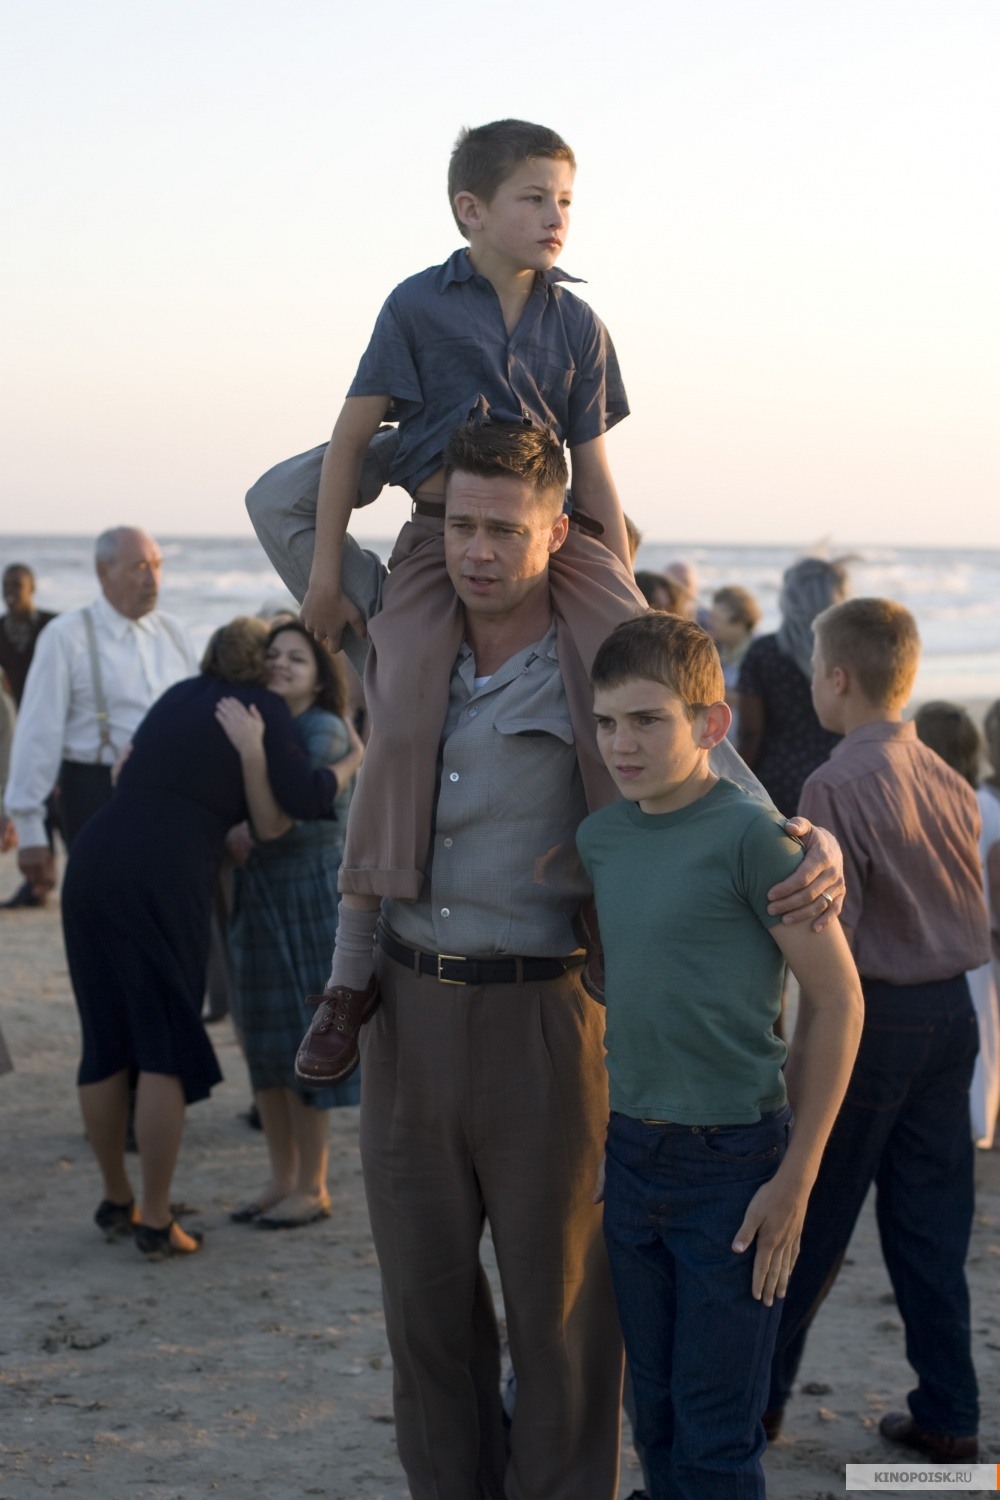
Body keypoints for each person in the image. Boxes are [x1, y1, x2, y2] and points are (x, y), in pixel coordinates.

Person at [278, 421, 847, 1500]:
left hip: (549, 1022)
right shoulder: (391, 617)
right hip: (401, 1008)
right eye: (459, 525)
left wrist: (816, 841)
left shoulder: (605, 654)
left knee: (565, 1329)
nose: (476, 551)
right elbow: (278, 502)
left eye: (505, 529)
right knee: (428, 1318)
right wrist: (413, 444)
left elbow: (719, 779)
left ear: (557, 535)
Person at [250, 117, 647, 951]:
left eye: (566, 199)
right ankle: (357, 950)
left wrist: (619, 578)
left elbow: (595, 468)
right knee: (398, 714)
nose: (556, 215)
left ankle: (619, 899)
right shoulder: (417, 305)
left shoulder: (578, 324)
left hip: (551, 535)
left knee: (633, 681)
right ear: (470, 208)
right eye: (534, 197)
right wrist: (326, 574)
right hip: (438, 536)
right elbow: (352, 438)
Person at [577, 613, 863, 1499]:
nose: (622, 744)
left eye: (648, 720)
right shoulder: (603, 838)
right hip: (632, 1156)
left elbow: (839, 1000)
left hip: (734, 1168)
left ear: (710, 724)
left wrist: (799, 1175)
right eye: (607, 722)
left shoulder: (756, 838)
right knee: (652, 1417)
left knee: (714, 1434)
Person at [764, 599, 991, 1463]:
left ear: (836, 678)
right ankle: (950, 1410)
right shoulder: (944, 770)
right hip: (953, 1014)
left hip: (879, 1017)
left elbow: (832, 941)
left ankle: (760, 1406)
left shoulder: (833, 781)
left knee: (810, 1216)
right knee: (932, 1227)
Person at [60, 618, 344, 1259]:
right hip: (161, 875)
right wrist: (353, 757)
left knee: (104, 1036)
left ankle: (116, 1199)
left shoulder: (176, 695)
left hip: (94, 855)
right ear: (255, 663)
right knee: (163, 1041)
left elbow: (131, 763)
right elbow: (301, 797)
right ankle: (156, 1220)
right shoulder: (259, 705)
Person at [222, 621, 365, 1229]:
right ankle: (280, 1177)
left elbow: (276, 820)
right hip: (259, 892)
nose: (281, 665)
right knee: (261, 1038)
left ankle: (313, 1183)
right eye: (273, 655)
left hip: (308, 892)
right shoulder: (267, 725)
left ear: (319, 673)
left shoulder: (323, 730)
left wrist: (247, 826)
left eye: (297, 659)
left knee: (302, 1042)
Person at [4, 528, 196, 898]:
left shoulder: (174, 633)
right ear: (102, 571)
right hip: (97, 793)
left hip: (173, 794)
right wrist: (29, 829)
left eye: (157, 565)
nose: (152, 578)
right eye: (139, 567)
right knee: (107, 909)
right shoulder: (67, 636)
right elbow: (37, 733)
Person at [914, 701, 1000, 1149]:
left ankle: (979, 1124)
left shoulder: (959, 806)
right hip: (977, 938)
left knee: (984, 1035)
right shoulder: (973, 803)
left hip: (964, 944)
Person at [736, 557, 848, 816]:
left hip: (777, 782)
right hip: (838, 777)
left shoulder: (764, 652)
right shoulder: (848, 654)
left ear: (789, 600)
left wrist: (737, 783)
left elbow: (751, 732)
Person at [0, 563, 59, 906]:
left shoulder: (53, 625)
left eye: (17, 584)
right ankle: (37, 884)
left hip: (51, 727)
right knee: (32, 803)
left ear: (32, 588)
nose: (10, 590)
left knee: (60, 806)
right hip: (17, 730)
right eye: (6, 584)